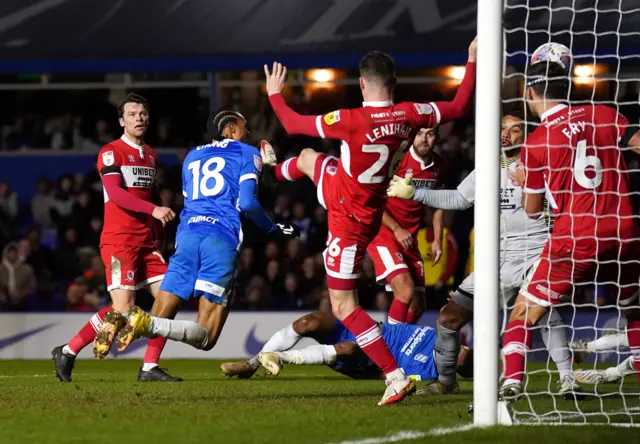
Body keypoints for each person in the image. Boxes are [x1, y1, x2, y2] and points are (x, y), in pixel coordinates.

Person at [261, 38, 477, 405]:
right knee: (313, 159)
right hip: (370, 208)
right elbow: (458, 104)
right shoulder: (410, 114)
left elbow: (291, 122)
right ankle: (273, 172)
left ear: (362, 83)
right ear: (393, 82)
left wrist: (274, 94)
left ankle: (393, 375)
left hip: (347, 218)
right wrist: (471, 61)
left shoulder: (349, 119)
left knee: (344, 306)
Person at [387, 112, 580, 397]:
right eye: (503, 128)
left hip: (538, 253)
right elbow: (458, 198)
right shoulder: (488, 168)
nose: (507, 134)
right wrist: (414, 192)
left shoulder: (543, 162)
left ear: (526, 134)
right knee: (448, 319)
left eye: (515, 130)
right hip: (496, 260)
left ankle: (568, 379)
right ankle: (446, 381)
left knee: (544, 314)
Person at [499, 61, 640, 400]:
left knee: (522, 312)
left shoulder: (536, 143)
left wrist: (524, 183)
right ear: (569, 88)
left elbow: (533, 212)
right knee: (635, 308)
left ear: (529, 92)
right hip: (622, 229)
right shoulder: (605, 113)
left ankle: (511, 385)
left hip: (574, 235)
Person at [115, 110, 299, 357]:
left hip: (188, 235)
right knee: (207, 337)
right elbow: (246, 203)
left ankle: (130, 322)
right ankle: (145, 325)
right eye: (245, 128)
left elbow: (192, 198)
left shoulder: (192, 156)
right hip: (220, 237)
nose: (248, 134)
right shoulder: (247, 152)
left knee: (160, 315)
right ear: (231, 128)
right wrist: (272, 228)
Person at [51, 93, 179, 383]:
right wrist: (154, 210)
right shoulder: (111, 152)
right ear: (122, 120)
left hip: (146, 244)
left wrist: (158, 232)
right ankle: (68, 351)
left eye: (143, 113)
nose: (139, 118)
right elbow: (118, 194)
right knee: (123, 309)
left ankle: (149, 368)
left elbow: (154, 194)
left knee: (169, 300)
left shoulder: (151, 156)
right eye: (132, 114)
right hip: (119, 242)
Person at [219, 311, 473, 383]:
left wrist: (357, 372)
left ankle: (280, 357)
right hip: (367, 326)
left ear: (456, 366)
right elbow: (449, 315)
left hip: (365, 352)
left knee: (348, 350)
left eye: (462, 354)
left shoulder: (430, 371)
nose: (461, 348)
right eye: (465, 348)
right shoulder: (445, 336)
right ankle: (252, 365)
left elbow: (386, 375)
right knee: (307, 322)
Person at [366, 127, 446, 325]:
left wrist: (437, 240)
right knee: (405, 289)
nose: (424, 139)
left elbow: (438, 203)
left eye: (430, 134)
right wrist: (396, 228)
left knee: (418, 304)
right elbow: (373, 200)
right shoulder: (396, 160)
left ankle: (397, 343)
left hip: (409, 236)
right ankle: (391, 345)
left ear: (437, 137)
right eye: (420, 134)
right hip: (383, 231)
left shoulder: (439, 166)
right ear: (412, 136)